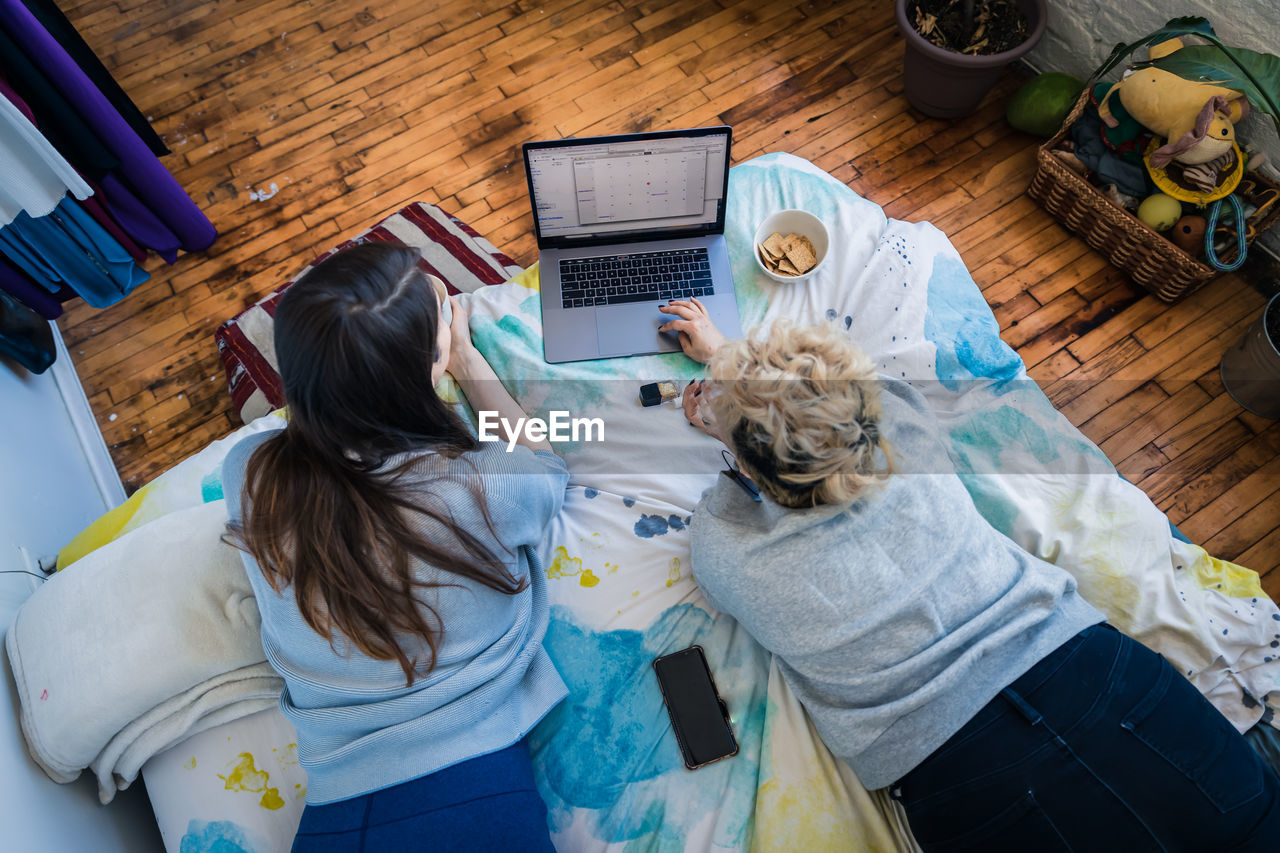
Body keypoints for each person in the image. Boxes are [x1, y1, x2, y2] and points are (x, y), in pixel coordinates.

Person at [657, 297, 1280, 851]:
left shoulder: (727, 551)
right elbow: (862, 392)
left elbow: (734, 506)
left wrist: (730, 418)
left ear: (750, 465)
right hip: (1102, 677)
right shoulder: (907, 433)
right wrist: (738, 371)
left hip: (962, 771)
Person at [223, 244, 569, 852]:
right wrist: (465, 358)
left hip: (337, 805)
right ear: (422, 376)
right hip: (474, 791)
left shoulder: (247, 471)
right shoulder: (489, 487)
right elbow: (543, 463)